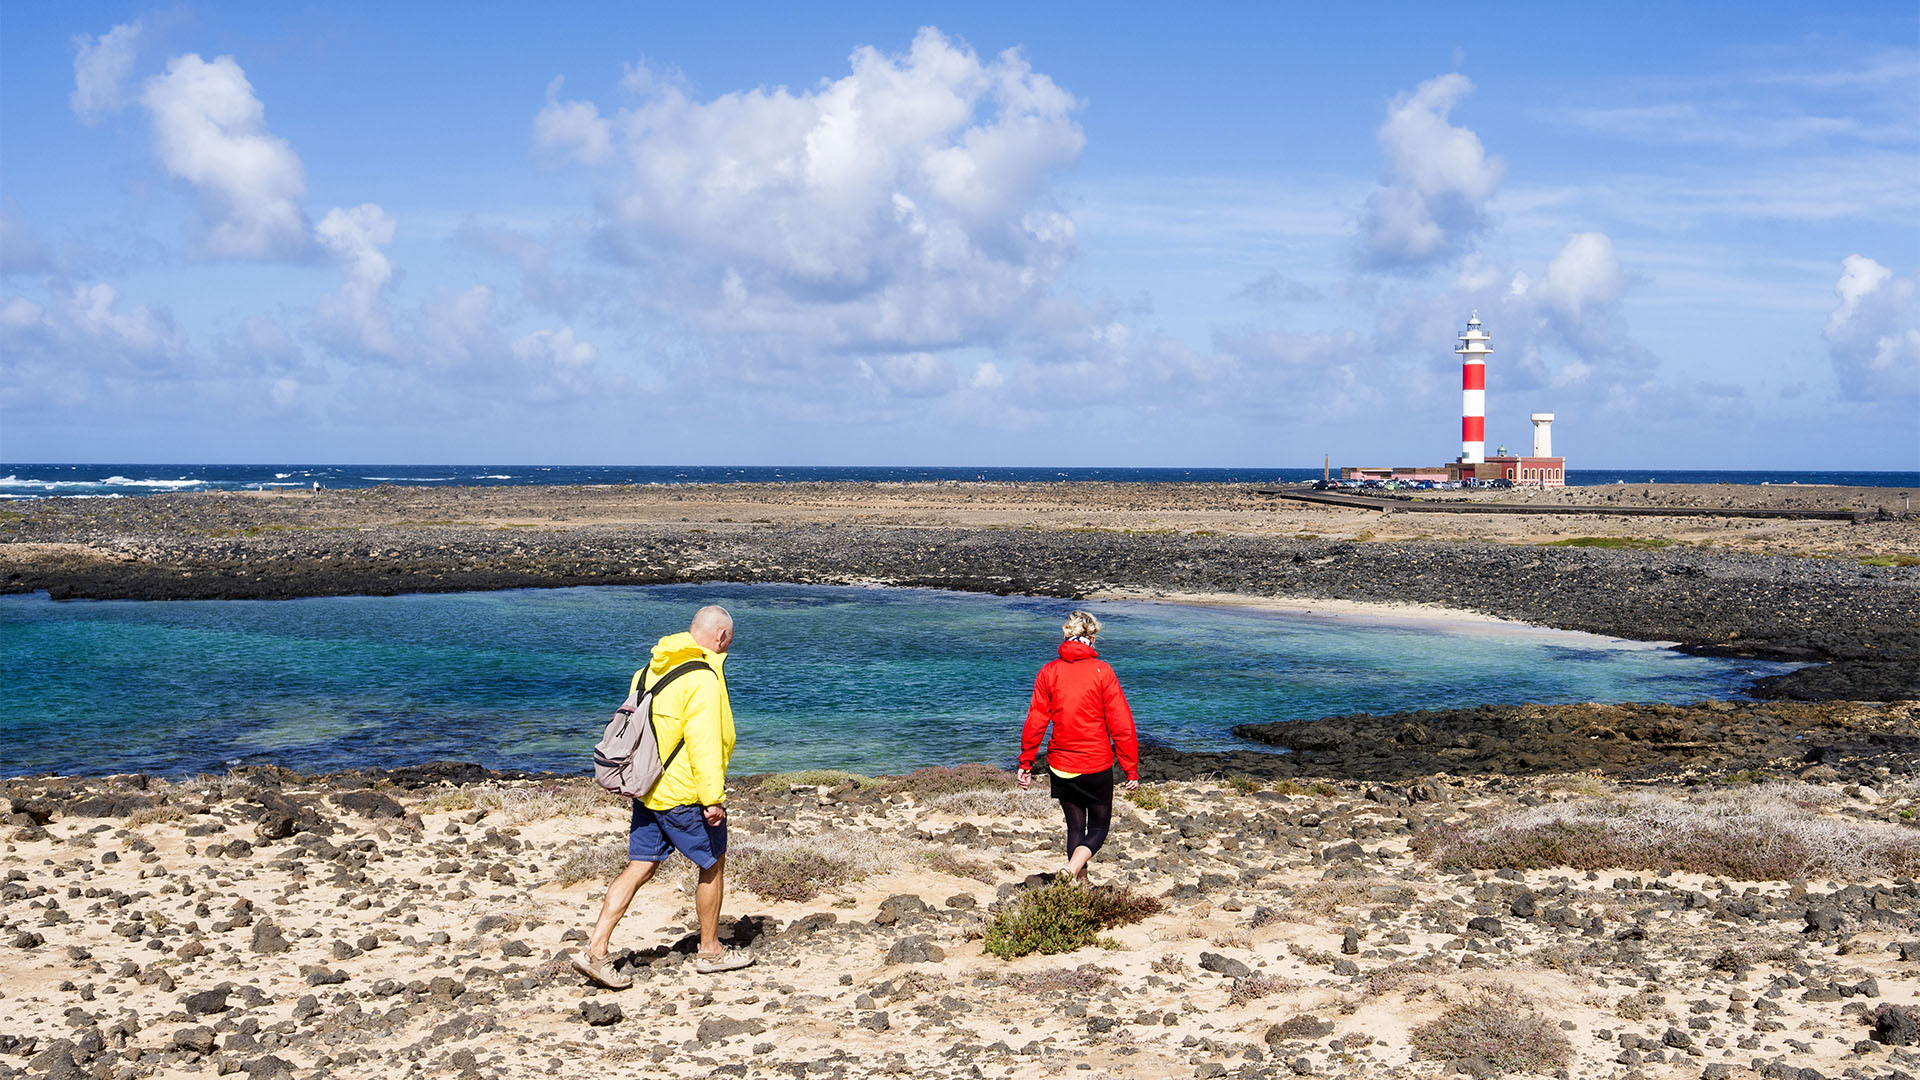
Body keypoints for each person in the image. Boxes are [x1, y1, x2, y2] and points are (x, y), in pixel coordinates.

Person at [570, 605, 754, 988]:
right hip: (683, 792)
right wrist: (712, 798)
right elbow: (705, 743)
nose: (727, 649)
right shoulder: (702, 679)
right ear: (721, 637)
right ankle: (710, 950)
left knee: (640, 866)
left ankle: (596, 950)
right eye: (728, 642)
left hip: (647, 788)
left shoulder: (650, 669)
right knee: (713, 863)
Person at [1017, 610, 1139, 882]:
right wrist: (1130, 768)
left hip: (1060, 765)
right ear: (1092, 638)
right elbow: (1121, 724)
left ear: (1066, 636)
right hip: (1096, 764)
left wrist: (1025, 762)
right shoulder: (1102, 671)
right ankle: (1073, 871)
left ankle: (1078, 887)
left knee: (1075, 827)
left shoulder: (1048, 672)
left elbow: (1036, 721)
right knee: (1097, 827)